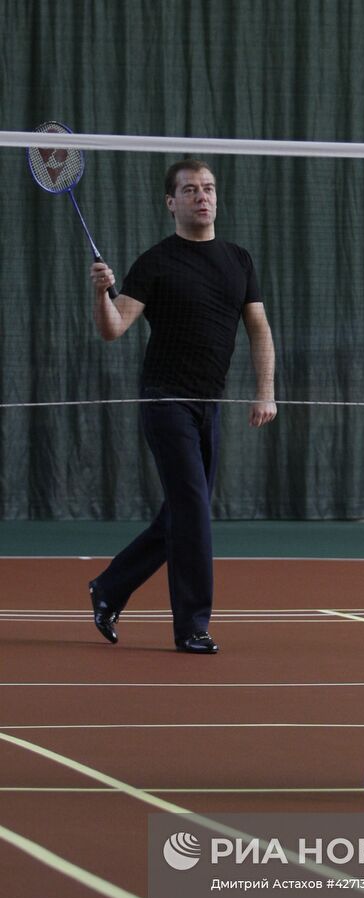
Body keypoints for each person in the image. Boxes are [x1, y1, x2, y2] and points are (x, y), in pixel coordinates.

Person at [88, 158, 276, 653]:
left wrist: (265, 391)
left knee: (183, 512)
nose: (203, 196)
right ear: (171, 202)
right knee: (192, 510)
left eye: (209, 188)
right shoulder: (155, 261)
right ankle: (192, 625)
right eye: (190, 190)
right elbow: (113, 328)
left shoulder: (239, 259)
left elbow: (258, 330)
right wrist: (101, 294)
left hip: (207, 406)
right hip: (164, 400)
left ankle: (110, 587)